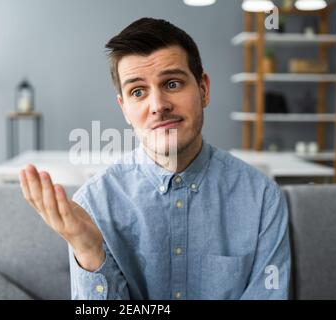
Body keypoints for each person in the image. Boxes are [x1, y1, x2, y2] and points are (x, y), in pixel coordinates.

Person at [19, 17, 290, 300]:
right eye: (138, 91)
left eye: (172, 83)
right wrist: (88, 251)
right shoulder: (93, 205)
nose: (158, 105)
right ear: (125, 109)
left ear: (204, 89)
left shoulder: (262, 198)